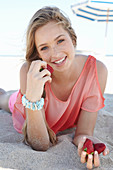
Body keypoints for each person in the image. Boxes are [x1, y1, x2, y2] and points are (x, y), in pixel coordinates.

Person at [0, 6, 109, 169]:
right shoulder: (29, 71)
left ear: (72, 38)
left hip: (53, 114)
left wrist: (86, 141)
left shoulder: (97, 71)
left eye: (60, 41)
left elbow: (82, 133)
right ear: (38, 54)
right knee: (6, 100)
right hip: (27, 106)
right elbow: (41, 144)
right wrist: (33, 97)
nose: (56, 53)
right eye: (44, 47)